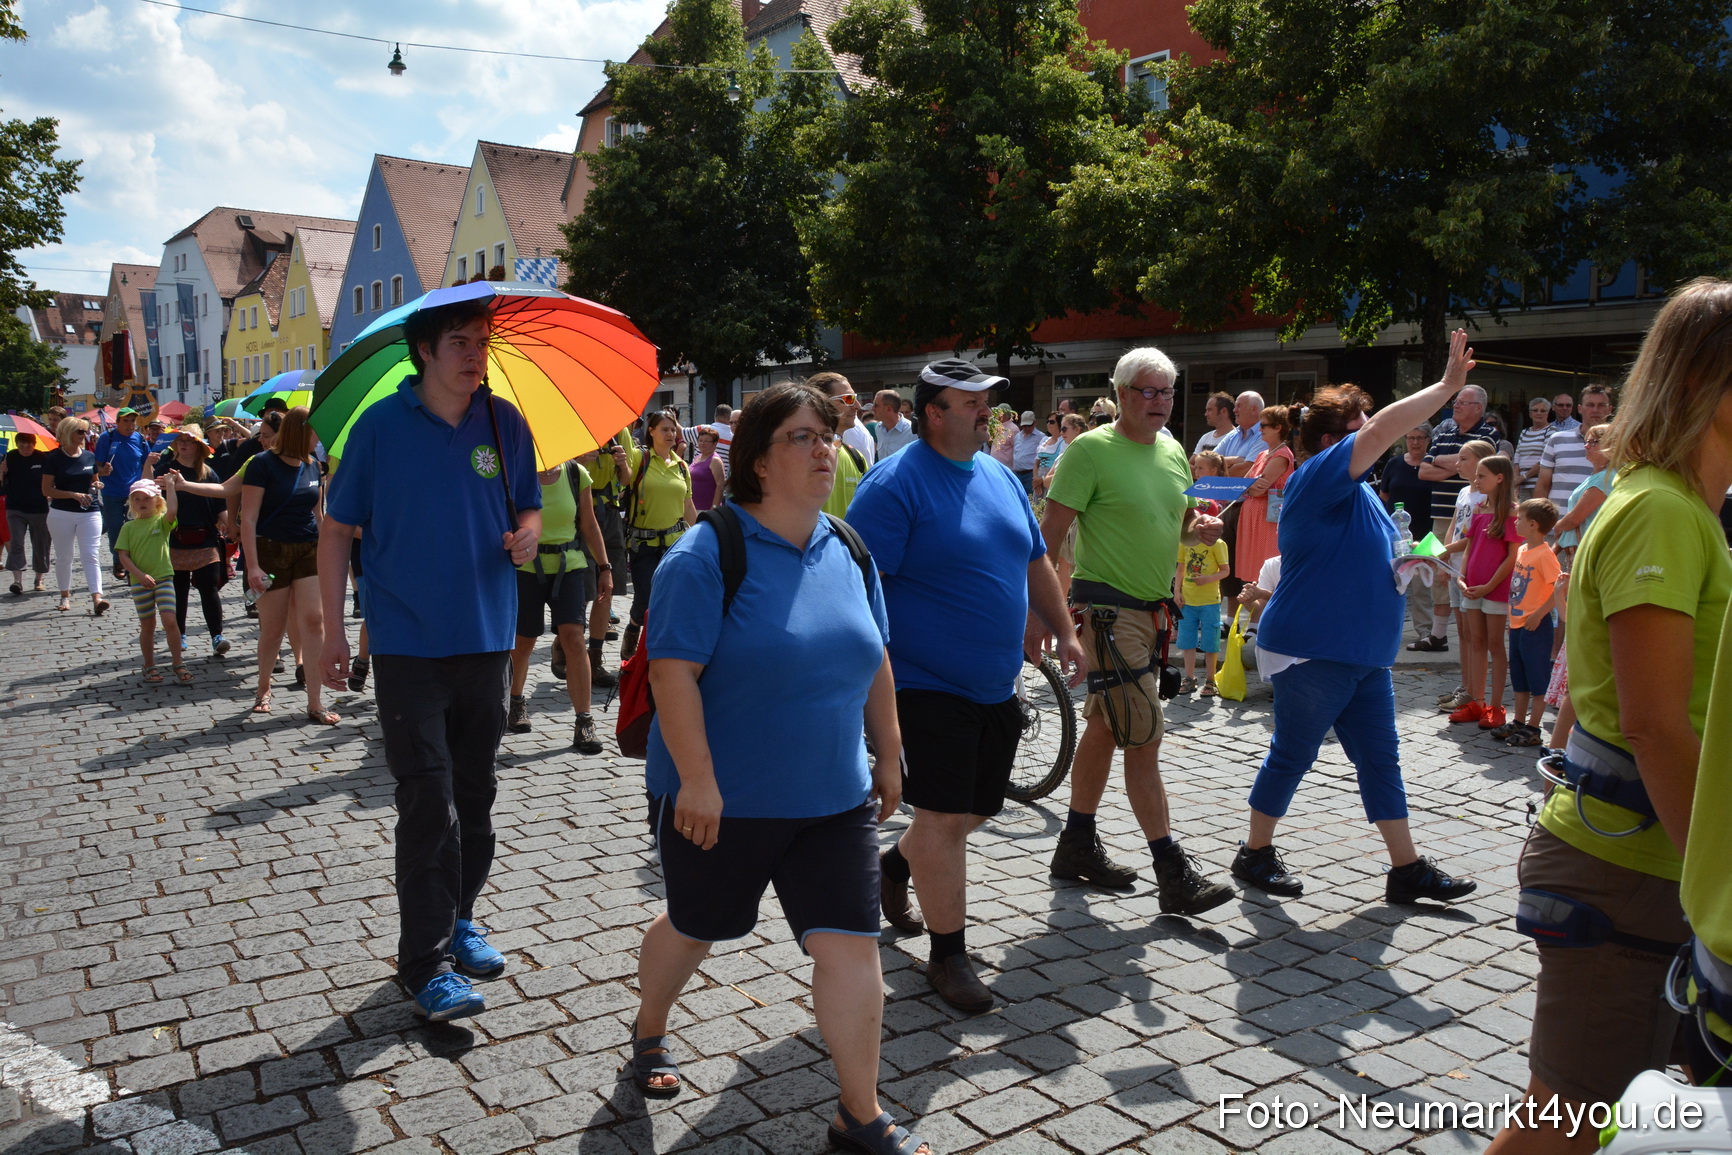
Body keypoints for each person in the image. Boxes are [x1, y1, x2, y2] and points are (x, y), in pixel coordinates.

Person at [628, 384, 932, 1155]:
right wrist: (698, 780)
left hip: (832, 798)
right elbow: (671, 674)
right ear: (759, 461)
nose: (824, 447)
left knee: (852, 946)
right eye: (802, 436)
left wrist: (888, 749)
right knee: (695, 926)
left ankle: (859, 1114)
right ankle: (649, 1026)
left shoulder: (848, 547)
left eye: (827, 433)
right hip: (722, 800)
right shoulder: (704, 555)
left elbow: (875, 654)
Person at [1487, 277, 1732, 1155]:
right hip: (1633, 866)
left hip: (1645, 862)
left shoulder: (1678, 505)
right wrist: (1721, 887)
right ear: (1706, 380)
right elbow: (1654, 723)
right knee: (1564, 1127)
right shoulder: (1661, 510)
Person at [317, 292, 542, 1022]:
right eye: (459, 342)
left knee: (475, 796)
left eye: (482, 342)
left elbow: (528, 505)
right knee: (428, 802)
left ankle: (461, 916)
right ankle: (425, 962)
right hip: (408, 643)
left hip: (487, 637)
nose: (475, 355)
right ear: (424, 351)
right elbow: (337, 530)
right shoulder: (380, 427)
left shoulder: (504, 422)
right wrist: (332, 630)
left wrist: (528, 534)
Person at [848, 358, 1084, 1015]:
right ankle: (948, 955)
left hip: (996, 682)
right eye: (972, 402)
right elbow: (857, 588)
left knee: (977, 807)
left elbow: (1034, 558)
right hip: (922, 683)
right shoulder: (894, 485)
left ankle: (895, 865)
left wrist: (1062, 628)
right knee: (946, 817)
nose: (988, 412)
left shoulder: (998, 475)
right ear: (934, 413)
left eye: (988, 402)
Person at [1228, 332, 1480, 906]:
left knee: (1380, 760)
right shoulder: (1318, 475)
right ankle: (1254, 852)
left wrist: (1413, 561)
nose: (1375, 436)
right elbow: (1382, 429)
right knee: (1294, 753)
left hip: (1363, 652)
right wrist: (1446, 387)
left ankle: (1406, 868)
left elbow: (1372, 553)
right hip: (1313, 647)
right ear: (1330, 442)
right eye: (1360, 428)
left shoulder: (1362, 492)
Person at [1033, 346, 1234, 914]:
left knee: (1104, 727)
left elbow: (1177, 524)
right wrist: (1040, 613)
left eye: (1167, 391)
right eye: (1149, 391)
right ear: (1122, 394)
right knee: (1144, 736)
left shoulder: (1172, 450)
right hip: (1106, 612)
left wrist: (1199, 529)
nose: (1161, 401)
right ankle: (1173, 873)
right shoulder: (1089, 451)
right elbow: (1046, 538)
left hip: (1153, 613)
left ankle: (1075, 845)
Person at [178, 408, 335, 722]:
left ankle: (315, 702)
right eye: (315, 431)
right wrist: (252, 567)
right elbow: (248, 519)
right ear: (301, 431)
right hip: (270, 551)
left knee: (314, 622)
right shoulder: (263, 464)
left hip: (307, 549)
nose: (319, 439)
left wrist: (330, 553)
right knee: (273, 629)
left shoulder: (313, 466)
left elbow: (317, 515)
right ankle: (264, 688)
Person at [507, 458, 613, 753]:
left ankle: (584, 721)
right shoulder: (517, 473)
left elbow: (589, 524)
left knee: (574, 639)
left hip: (570, 567)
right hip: (526, 569)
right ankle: (515, 701)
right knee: (524, 641)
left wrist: (605, 567)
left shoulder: (576, 474)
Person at [1440, 455, 1522, 731]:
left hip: (1495, 589)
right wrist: (1461, 577)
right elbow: (1469, 546)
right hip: (1472, 585)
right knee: (1476, 642)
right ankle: (1476, 702)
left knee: (1495, 645)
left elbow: (1512, 556)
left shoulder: (1512, 512)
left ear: (1499, 478)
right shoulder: (1479, 508)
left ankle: (1496, 706)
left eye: (1481, 475)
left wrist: (1489, 586)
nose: (1476, 480)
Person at [1417, 386, 1498, 654]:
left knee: (1463, 579)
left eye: (1463, 402)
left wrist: (1441, 460)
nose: (1456, 405)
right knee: (1441, 575)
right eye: (1456, 401)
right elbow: (1424, 470)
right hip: (1445, 516)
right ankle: (1439, 635)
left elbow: (1484, 463)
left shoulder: (1488, 434)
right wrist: (1449, 465)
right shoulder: (1444, 432)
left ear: (1478, 408)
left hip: (1473, 531)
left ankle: (1475, 651)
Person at [618, 410, 698, 661]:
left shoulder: (681, 466)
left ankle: (661, 651)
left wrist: (702, 537)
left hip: (675, 544)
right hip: (643, 544)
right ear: (650, 431)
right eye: (665, 429)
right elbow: (624, 468)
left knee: (672, 599)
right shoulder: (639, 458)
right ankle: (633, 628)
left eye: (673, 429)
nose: (671, 434)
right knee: (644, 600)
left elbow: (688, 506)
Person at [1433, 440, 1500, 705]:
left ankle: (1473, 690)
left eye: (1463, 459)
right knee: (1461, 631)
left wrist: (1440, 550)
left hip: (1471, 567)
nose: (1457, 464)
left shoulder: (1486, 498)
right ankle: (1465, 685)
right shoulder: (1463, 492)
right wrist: (1444, 559)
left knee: (1474, 633)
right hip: (1455, 566)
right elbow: (1453, 526)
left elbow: (1473, 538)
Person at [154, 427, 230, 657]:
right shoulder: (165, 470)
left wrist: (235, 527)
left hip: (205, 538)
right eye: (180, 440)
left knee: (209, 588)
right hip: (174, 539)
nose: (183, 444)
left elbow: (220, 506)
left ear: (199, 446)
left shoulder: (209, 473)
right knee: (179, 590)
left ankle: (217, 636)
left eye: (189, 441)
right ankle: (180, 635)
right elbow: (152, 499)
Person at [1499, 498, 1562, 747]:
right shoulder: (1523, 550)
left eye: (1520, 519)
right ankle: (1518, 721)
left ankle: (1534, 728)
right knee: (1519, 676)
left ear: (1533, 524)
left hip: (1536, 626)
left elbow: (1560, 589)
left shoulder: (1545, 555)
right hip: (1517, 624)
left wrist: (1539, 614)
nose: (1516, 522)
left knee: (1537, 678)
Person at [116, 476, 190, 685]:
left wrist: (171, 487)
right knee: (148, 625)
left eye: (146, 498)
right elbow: (123, 556)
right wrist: (139, 575)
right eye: (137, 499)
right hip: (140, 583)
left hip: (164, 578)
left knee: (170, 620)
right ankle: (149, 665)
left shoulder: (161, 522)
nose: (142, 502)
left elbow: (173, 510)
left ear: (157, 500)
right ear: (132, 503)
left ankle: (178, 662)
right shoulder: (128, 528)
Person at [41, 417, 108, 615]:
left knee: (91, 555)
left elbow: (94, 481)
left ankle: (97, 598)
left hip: (90, 511)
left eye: (85, 431)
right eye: (80, 431)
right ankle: (65, 595)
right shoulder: (54, 458)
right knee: (64, 556)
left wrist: (97, 484)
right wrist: (72, 494)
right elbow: (47, 490)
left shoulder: (88, 456)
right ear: (67, 432)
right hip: (61, 513)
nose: (84, 435)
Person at [1378, 424, 1438, 646]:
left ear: (1428, 440)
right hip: (1395, 535)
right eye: (1411, 437)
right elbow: (1384, 494)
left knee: (1423, 586)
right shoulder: (1394, 464)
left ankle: (1426, 631)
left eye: (1420, 438)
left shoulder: (1434, 465)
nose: (1415, 442)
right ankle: (1387, 629)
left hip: (1427, 533)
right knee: (1391, 582)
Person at [581, 432, 630, 690]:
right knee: (581, 588)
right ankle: (564, 643)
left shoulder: (618, 431)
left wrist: (623, 464)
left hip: (609, 513)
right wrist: (578, 460)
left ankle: (594, 658)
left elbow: (626, 480)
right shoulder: (571, 425)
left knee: (605, 590)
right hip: (580, 511)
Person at [1233, 404, 1294, 587]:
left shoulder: (1282, 455)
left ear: (1278, 428)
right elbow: (1244, 484)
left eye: (1264, 425)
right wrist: (1250, 486)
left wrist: (1249, 487)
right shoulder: (1262, 454)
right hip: (1251, 513)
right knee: (1250, 568)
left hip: (1267, 517)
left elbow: (1257, 488)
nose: (1259, 429)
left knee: (1264, 568)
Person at [94, 408, 151, 577]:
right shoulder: (107, 438)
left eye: (132, 421)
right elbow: (96, 466)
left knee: (136, 528)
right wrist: (103, 470)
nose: (130, 425)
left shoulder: (140, 439)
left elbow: (147, 463)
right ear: (117, 422)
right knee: (115, 528)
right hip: (112, 491)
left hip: (134, 493)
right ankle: (118, 561)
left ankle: (134, 565)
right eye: (126, 421)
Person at [1536, 384, 1613, 509]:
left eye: (1601, 405)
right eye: (1590, 405)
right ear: (1580, 409)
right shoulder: (1557, 439)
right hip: (1558, 519)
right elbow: (1543, 485)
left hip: (1600, 519)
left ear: (1609, 409)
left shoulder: (1619, 446)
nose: (1595, 410)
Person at [1549, 422, 1613, 565]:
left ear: (1610, 445)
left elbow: (1575, 518)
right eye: (1586, 441)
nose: (1586, 446)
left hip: (1590, 553)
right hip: (1581, 552)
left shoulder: (1606, 478)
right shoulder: (1598, 476)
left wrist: (1558, 526)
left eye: (1593, 442)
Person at [1176, 529, 1229, 696]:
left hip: (1210, 602)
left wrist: (1207, 579)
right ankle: (1189, 678)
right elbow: (1180, 569)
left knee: (1211, 642)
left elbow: (1225, 570)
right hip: (1187, 602)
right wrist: (1177, 592)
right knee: (1187, 641)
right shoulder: (1184, 543)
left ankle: (1210, 680)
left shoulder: (1218, 544)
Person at [3, 432, 51, 594]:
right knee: (16, 542)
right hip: (15, 507)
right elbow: (3, 483)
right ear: (16, 444)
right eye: (21, 445)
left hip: (38, 508)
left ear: (34, 444)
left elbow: (50, 479)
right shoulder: (10, 457)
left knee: (40, 543)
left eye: (28, 445)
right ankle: (17, 581)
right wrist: (1, 471)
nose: (24, 449)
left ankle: (39, 579)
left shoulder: (42, 458)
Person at [809, 371, 877, 472]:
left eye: (855, 398)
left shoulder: (855, 456)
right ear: (822, 403)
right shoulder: (804, 455)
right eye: (849, 399)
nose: (858, 406)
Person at [1213, 391, 1265, 474]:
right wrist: (1236, 460)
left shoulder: (1264, 435)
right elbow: (1210, 461)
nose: (1234, 410)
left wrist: (1220, 467)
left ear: (1253, 410)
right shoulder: (1232, 435)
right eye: (1235, 406)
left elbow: (1247, 469)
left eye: (1239, 406)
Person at [1514, 398, 1554, 499]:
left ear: (1548, 413)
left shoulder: (1551, 431)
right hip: (1522, 485)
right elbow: (1517, 458)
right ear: (1530, 414)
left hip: (1540, 484)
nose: (1539, 413)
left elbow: (1545, 459)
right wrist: (1517, 481)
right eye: (1535, 410)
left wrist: (1524, 477)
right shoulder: (1524, 432)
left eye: (1543, 410)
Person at [689, 427, 726, 512]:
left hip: (706, 509)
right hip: (693, 508)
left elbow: (720, 485)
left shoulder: (715, 460)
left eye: (706, 441)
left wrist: (714, 508)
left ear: (715, 443)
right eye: (700, 440)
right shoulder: (698, 457)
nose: (702, 443)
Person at [872, 389, 916, 458]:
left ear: (889, 409)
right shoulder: (879, 428)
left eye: (876, 405)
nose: (873, 408)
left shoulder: (911, 432)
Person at [1010, 411, 1044, 493]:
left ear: (1035, 423)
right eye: (1024, 426)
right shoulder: (1018, 436)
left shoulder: (1041, 437)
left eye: (1029, 425)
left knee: (1030, 497)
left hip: (1030, 474)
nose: (1027, 428)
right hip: (1017, 473)